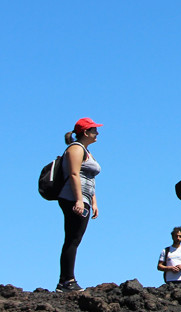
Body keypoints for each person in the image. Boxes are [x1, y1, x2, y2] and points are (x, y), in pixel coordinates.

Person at [55, 118, 102, 293]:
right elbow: (74, 174)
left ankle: (66, 280)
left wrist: (94, 201)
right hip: (72, 198)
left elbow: (89, 178)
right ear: (85, 132)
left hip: (84, 199)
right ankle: (66, 281)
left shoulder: (87, 151)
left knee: (75, 239)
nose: (97, 133)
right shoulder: (75, 149)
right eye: (94, 130)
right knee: (72, 239)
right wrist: (79, 200)